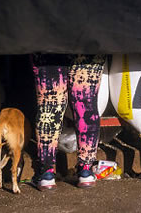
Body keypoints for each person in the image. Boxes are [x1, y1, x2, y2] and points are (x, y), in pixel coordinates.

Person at [31, 54, 106, 190]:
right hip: (86, 41)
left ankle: (46, 174)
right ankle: (86, 171)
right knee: (86, 105)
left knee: (49, 106)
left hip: (48, 42)